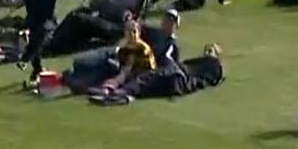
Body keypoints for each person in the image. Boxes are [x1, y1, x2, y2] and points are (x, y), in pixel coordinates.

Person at [42, 0, 148, 57]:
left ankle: (49, 49)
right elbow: (95, 2)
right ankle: (53, 39)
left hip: (119, 27)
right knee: (78, 13)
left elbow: (121, 11)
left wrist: (107, 4)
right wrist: (104, 3)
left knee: (78, 19)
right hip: (105, 19)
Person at [91, 42, 223, 105]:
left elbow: (206, 78)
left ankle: (115, 92)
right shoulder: (206, 67)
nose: (207, 52)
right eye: (206, 49)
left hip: (177, 76)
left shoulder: (214, 65)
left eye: (211, 50)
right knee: (145, 90)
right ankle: (121, 98)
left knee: (144, 79)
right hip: (178, 86)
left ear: (217, 54)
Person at [16, 0, 86, 88]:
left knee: (40, 36)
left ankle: (25, 59)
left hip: (48, 21)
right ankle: (37, 69)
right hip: (33, 20)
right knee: (34, 40)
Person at [88, 19, 156, 95]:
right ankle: (95, 84)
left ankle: (110, 89)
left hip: (142, 76)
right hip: (127, 74)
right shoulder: (124, 49)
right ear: (125, 33)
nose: (131, 34)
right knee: (108, 65)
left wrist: (123, 74)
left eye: (134, 31)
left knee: (127, 77)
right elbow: (122, 64)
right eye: (129, 31)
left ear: (139, 33)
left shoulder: (143, 48)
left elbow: (146, 68)